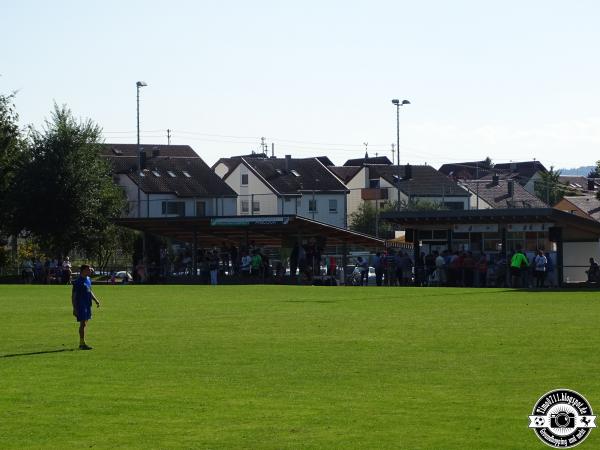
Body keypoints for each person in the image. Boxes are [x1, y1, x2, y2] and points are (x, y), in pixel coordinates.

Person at [71, 265, 100, 350]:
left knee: (85, 324)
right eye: (88, 270)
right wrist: (74, 308)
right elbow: (73, 296)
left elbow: (89, 291)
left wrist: (95, 300)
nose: (90, 271)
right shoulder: (78, 282)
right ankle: (82, 343)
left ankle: (82, 343)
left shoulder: (88, 279)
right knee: (83, 324)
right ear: (83, 271)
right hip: (80, 305)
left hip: (87, 304)